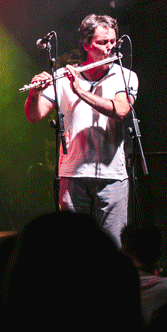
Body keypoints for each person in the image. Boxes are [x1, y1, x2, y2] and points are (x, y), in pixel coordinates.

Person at [24, 14, 138, 244]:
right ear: (86, 45)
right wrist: (34, 94)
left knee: (114, 247)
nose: (110, 48)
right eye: (102, 42)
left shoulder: (125, 76)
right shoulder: (63, 77)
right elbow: (34, 116)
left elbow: (121, 111)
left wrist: (81, 92)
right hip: (73, 174)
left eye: (113, 42)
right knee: (74, 247)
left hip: (112, 176)